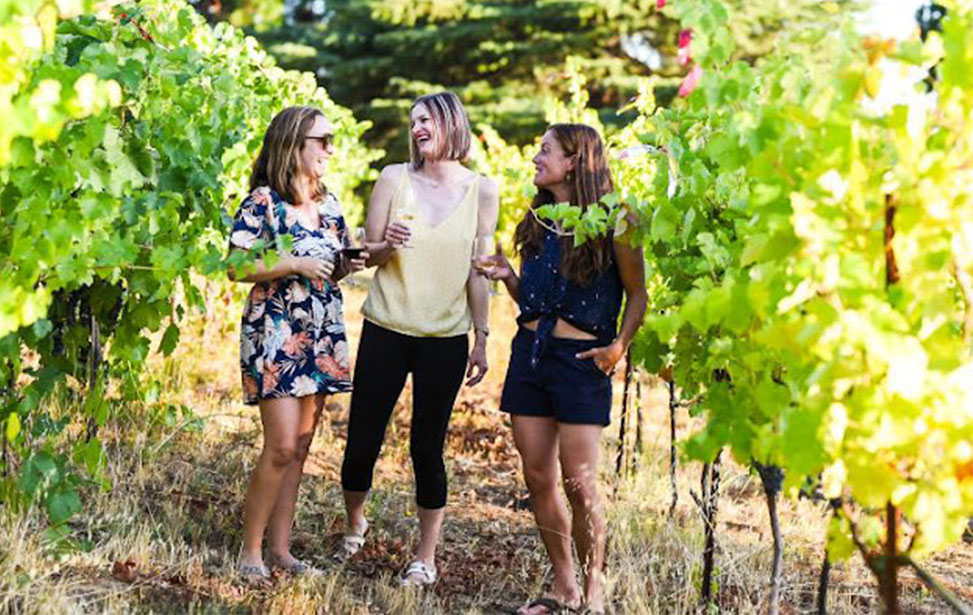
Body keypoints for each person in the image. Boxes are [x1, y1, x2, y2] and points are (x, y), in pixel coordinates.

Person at [478, 124, 647, 615]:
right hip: (530, 354)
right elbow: (531, 301)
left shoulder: (617, 218)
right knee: (537, 476)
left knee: (580, 480)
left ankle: (595, 587)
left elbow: (638, 294)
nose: (536, 157)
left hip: (581, 362)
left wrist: (619, 346)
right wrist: (508, 275)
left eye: (546, 150)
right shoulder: (539, 219)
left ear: (575, 160)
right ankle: (563, 586)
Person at [338, 91, 499, 586]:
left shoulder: (483, 190)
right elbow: (368, 254)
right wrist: (387, 245)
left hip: (445, 338)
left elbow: (480, 272)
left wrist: (482, 337)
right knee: (363, 436)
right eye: (412, 122)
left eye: (425, 119)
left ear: (452, 123)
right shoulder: (394, 178)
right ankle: (354, 523)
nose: (417, 128)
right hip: (387, 326)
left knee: (427, 446)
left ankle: (424, 557)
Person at [227, 106, 368, 580]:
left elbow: (335, 265)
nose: (330, 148)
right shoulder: (262, 203)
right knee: (281, 445)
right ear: (293, 144)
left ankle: (281, 551)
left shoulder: (329, 205)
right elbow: (236, 266)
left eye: (332, 140)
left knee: (302, 446)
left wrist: (355, 258)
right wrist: (292, 263)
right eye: (322, 139)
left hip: (322, 332)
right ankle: (250, 551)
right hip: (277, 330)